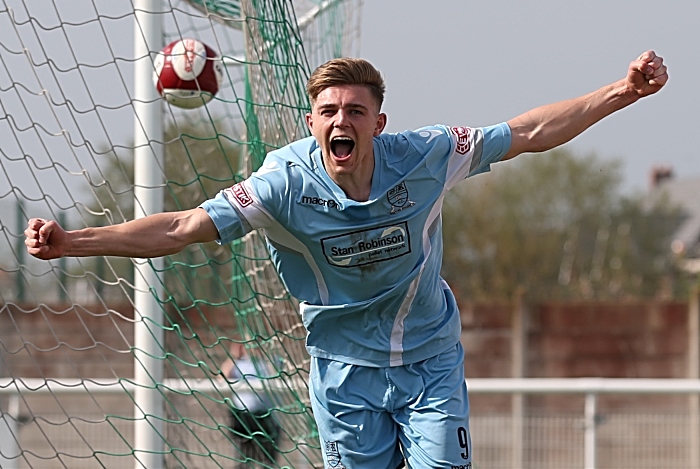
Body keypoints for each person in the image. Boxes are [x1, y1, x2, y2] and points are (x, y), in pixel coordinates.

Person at [25, 51, 667, 468]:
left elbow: (526, 132)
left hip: (430, 361)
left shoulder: (426, 156)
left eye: (354, 110)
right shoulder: (281, 183)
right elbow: (183, 227)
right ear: (313, 122)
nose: (341, 120)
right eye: (329, 110)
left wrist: (622, 91)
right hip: (343, 374)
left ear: (378, 123)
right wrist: (74, 242)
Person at [219, 340, 280, 467]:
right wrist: (234, 356)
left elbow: (276, 375)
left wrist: (265, 355)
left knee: (268, 460)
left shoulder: (270, 361)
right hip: (243, 417)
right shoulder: (239, 364)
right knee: (244, 459)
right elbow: (222, 378)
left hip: (265, 416)